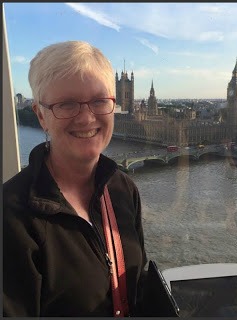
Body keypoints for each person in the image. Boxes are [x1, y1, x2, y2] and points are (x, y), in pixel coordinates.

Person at [3, 41, 147, 316]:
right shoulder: (10, 217)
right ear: (40, 115)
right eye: (67, 104)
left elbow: (139, 290)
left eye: (99, 101)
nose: (86, 117)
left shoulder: (123, 189)